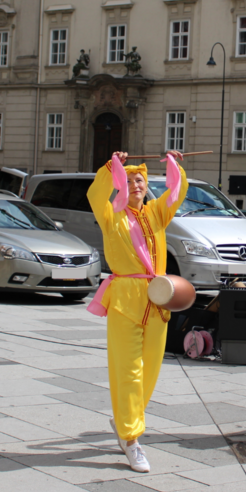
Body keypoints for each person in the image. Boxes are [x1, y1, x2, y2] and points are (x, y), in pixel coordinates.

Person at [87, 150, 187, 473]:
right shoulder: (110, 214)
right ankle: (131, 439)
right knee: (128, 370)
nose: (135, 185)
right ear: (119, 185)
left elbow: (176, 192)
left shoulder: (157, 214)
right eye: (128, 180)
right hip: (125, 300)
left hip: (156, 301)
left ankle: (125, 419)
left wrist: (175, 166)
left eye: (140, 180)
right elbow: (95, 192)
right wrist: (109, 165)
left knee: (150, 371)